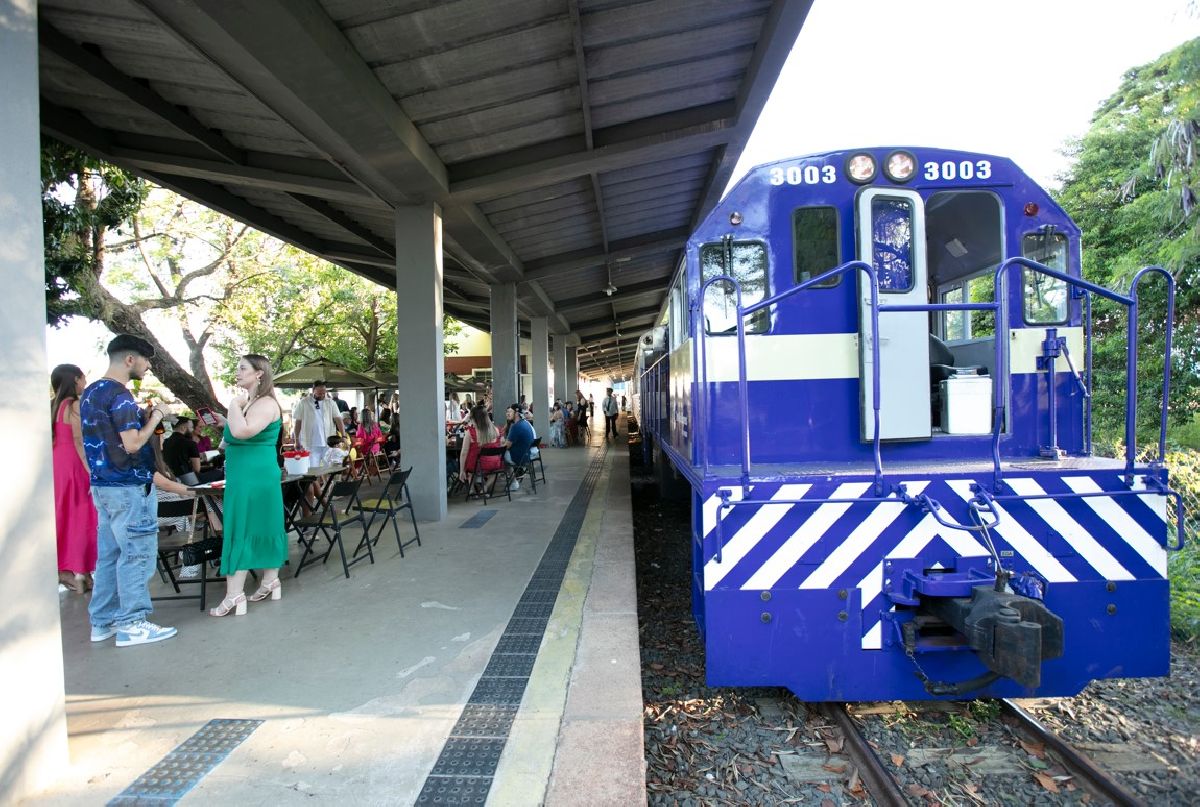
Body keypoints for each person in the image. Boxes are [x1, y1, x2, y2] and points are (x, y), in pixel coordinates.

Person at [81, 334, 192, 647]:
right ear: (130, 359)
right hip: (129, 486)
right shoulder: (121, 395)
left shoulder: (91, 393)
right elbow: (131, 444)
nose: (148, 368)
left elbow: (103, 441)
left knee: (109, 556)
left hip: (103, 486)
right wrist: (156, 417)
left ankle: (102, 622)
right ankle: (133, 623)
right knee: (137, 555)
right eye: (146, 361)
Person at [207, 354, 288, 617]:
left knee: (241, 524)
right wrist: (226, 420)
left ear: (259, 374)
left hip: (251, 475)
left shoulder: (263, 403)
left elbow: (243, 433)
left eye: (243, 368)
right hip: (252, 472)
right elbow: (240, 431)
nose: (237, 372)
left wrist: (232, 405)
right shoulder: (254, 403)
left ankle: (234, 595)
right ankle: (269, 580)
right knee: (263, 522)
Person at [50, 363, 98, 594]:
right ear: (76, 380)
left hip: (58, 464)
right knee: (83, 517)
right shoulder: (75, 405)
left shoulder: (54, 406)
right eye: (83, 378)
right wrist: (91, 472)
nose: (85, 383)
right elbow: (79, 440)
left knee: (66, 515)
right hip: (74, 465)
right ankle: (78, 572)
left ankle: (75, 572)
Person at [292, 380, 344, 465]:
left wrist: (343, 436)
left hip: (329, 442)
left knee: (330, 468)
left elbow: (338, 419)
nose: (322, 395)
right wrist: (296, 440)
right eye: (320, 393)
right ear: (313, 391)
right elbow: (298, 422)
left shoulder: (331, 402)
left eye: (324, 392)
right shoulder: (304, 402)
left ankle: (326, 479)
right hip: (311, 443)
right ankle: (318, 479)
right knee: (313, 470)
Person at [458, 403, 502, 490]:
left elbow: (464, 453)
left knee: (470, 466)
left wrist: (461, 471)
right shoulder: (496, 430)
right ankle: (485, 487)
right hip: (494, 464)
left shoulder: (470, 433)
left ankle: (471, 490)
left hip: (477, 465)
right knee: (497, 470)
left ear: (474, 418)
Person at [503, 404, 536, 488]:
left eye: (510, 411)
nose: (508, 413)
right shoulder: (526, 423)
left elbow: (506, 447)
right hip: (528, 455)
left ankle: (513, 482)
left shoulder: (515, 427)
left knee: (501, 457)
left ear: (516, 413)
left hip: (521, 458)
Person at [162, 416, 202, 485]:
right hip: (188, 480)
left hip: (170, 478)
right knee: (219, 473)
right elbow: (197, 469)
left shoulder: (164, 442)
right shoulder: (190, 443)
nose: (192, 430)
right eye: (191, 427)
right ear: (183, 427)